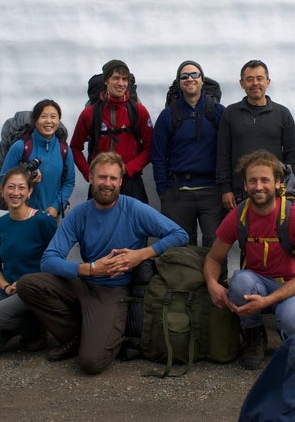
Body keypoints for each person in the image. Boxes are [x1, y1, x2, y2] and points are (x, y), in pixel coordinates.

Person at [17, 152, 188, 374]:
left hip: (114, 290)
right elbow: (48, 260)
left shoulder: (134, 209)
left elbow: (179, 234)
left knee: (91, 362)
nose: (107, 184)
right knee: (27, 284)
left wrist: (142, 254)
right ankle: (76, 334)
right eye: (102, 177)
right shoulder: (80, 214)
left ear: (121, 181)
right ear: (90, 177)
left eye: (113, 178)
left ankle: (102, 333)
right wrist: (89, 269)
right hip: (85, 282)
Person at [203, 149, 295, 370]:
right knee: (240, 282)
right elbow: (213, 258)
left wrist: (267, 302)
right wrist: (212, 284)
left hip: (289, 284)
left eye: (265, 180)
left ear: (277, 183)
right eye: (252, 181)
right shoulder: (239, 215)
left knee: (290, 319)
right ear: (244, 185)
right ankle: (254, 335)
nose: (258, 186)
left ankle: (294, 338)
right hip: (257, 282)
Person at [0, 166, 57, 357]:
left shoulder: (43, 221)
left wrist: (29, 283)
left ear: (29, 191)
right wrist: (5, 287)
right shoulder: (0, 225)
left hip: (35, 291)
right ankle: (25, 327)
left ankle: (36, 328)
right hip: (8, 292)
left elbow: (56, 261)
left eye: (21, 188)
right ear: (2, 190)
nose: (15, 193)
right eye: (11, 187)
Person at [151, 60, 227, 247]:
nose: (190, 79)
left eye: (194, 75)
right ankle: (186, 278)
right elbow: (158, 155)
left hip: (212, 191)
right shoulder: (167, 115)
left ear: (202, 80)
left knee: (215, 243)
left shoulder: (218, 112)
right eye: (184, 76)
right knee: (181, 246)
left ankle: (216, 278)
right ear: (179, 82)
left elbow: (228, 150)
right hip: (177, 192)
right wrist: (163, 192)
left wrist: (226, 188)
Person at [216, 60, 295, 211]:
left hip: (274, 194)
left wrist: (288, 188)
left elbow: (292, 155)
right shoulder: (230, 113)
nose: (255, 83)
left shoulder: (283, 114)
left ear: (268, 82)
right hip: (238, 194)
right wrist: (225, 189)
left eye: (259, 78)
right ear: (242, 83)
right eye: (249, 79)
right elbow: (222, 154)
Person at [70, 59, 153, 203]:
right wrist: (89, 173)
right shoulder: (90, 114)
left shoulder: (138, 111)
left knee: (135, 225)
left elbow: (150, 146)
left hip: (131, 182)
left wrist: (127, 169)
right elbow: (75, 147)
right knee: (100, 224)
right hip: (101, 183)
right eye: (116, 78)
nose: (121, 83)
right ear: (106, 81)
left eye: (124, 79)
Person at [0, 99, 75, 218]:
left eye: (53, 117)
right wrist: (26, 180)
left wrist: (56, 206)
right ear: (35, 120)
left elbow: (69, 182)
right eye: (43, 116)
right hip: (23, 215)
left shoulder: (64, 150)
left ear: (58, 120)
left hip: (50, 216)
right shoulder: (20, 147)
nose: (49, 121)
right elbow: (3, 178)